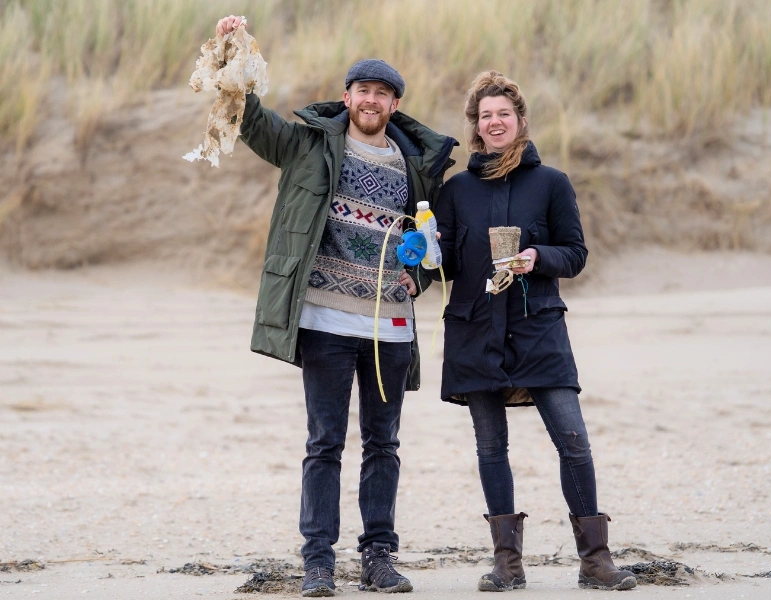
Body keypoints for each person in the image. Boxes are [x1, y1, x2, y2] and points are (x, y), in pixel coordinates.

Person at [213, 15, 457, 598]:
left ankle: (378, 557)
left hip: (391, 328)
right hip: (324, 320)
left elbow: (436, 244)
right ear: (346, 97)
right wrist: (229, 52)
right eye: (363, 91)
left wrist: (424, 265)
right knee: (324, 443)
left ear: (395, 104)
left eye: (383, 94)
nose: (371, 101)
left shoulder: (418, 167)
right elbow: (245, 118)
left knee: (384, 444)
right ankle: (318, 562)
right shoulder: (307, 146)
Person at [432, 70, 636, 592]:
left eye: (504, 113)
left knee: (573, 442)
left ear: (520, 120)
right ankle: (507, 564)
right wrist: (424, 251)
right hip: (475, 329)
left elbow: (576, 254)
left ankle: (596, 560)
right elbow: (448, 262)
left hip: (538, 329)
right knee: (490, 447)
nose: (495, 122)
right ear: (475, 126)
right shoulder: (456, 189)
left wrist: (536, 256)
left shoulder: (552, 183)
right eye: (485, 116)